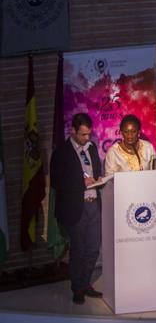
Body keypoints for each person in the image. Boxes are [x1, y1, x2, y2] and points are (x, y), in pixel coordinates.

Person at [50, 113, 103, 304]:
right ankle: (77, 288)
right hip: (75, 208)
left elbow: (96, 172)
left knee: (93, 249)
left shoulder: (92, 148)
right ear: (72, 131)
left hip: (94, 205)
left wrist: (99, 179)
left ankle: (86, 283)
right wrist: (81, 183)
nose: (86, 138)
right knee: (78, 250)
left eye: (88, 134)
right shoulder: (61, 153)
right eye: (82, 135)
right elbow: (57, 181)